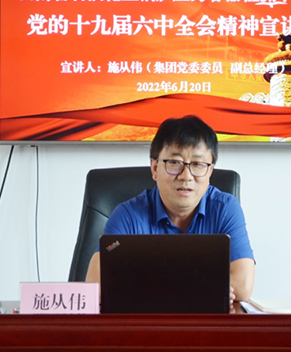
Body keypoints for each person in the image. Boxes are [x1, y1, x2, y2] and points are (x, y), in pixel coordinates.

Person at [85, 115, 255, 302]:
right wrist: (202, 288)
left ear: (210, 172)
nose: (186, 176)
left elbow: (242, 286)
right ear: (154, 168)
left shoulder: (225, 209)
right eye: (174, 163)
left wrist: (146, 286)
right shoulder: (128, 215)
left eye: (198, 164)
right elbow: (95, 284)